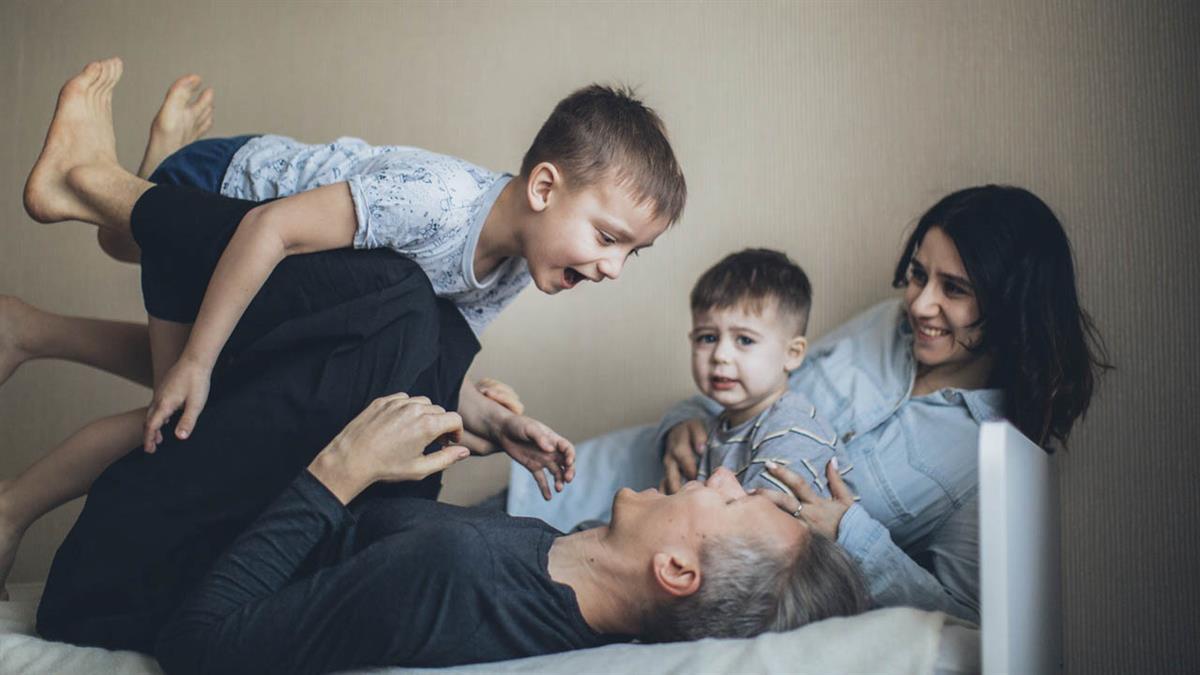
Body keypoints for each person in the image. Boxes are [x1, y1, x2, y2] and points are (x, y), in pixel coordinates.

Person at [1, 56, 686, 591]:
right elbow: (270, 229)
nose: (612, 268)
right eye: (606, 237)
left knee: (181, 338)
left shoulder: (511, 267)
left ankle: (32, 322)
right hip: (225, 194)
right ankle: (112, 180)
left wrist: (499, 425)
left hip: (270, 270)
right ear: (543, 188)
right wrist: (198, 360)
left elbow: (426, 363)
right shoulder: (439, 201)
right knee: (180, 408)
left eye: (631, 252)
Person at [517, 185, 1110, 624]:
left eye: (954, 290)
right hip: (604, 480)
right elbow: (754, 375)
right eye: (917, 275)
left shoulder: (996, 454)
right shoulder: (882, 326)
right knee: (475, 538)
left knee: (499, 592)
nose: (920, 304)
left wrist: (855, 535)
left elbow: (962, 615)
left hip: (671, 570)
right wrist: (682, 422)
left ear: (1013, 305)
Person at [153, 393, 869, 675]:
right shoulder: (568, 568)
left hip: (159, 567)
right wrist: (472, 433)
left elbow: (197, 644)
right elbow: (364, 557)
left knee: (396, 300)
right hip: (234, 508)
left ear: (678, 570)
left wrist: (339, 470)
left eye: (733, 501)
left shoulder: (459, 575)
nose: (722, 476)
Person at [684, 248, 840, 496]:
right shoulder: (719, 426)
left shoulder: (791, 430)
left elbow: (762, 528)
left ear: (792, 354)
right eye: (708, 337)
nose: (720, 355)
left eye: (744, 340)